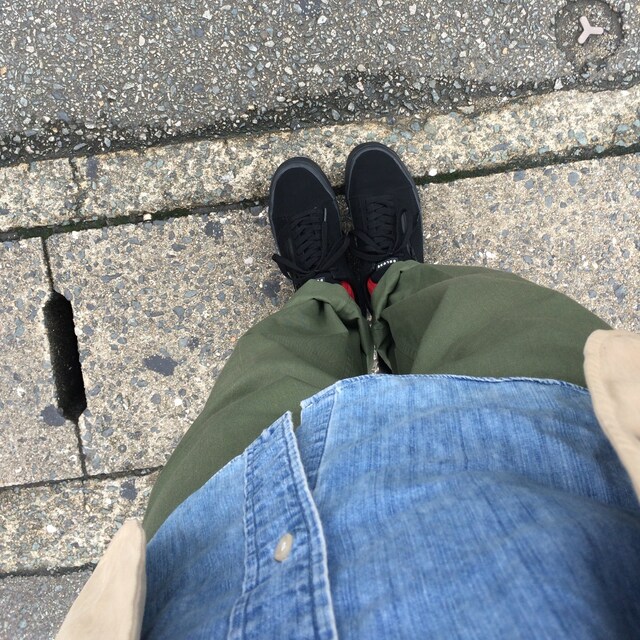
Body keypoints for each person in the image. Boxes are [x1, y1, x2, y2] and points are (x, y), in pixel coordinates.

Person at [57, 143, 640, 639]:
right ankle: (392, 279)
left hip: (218, 566)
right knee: (493, 324)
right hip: (566, 470)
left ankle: (325, 297)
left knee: (268, 380)